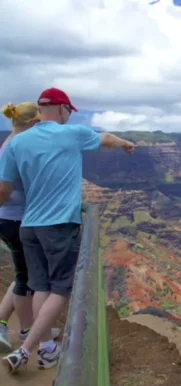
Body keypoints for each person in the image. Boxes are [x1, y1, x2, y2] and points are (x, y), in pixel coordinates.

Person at [0, 88, 135, 373]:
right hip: (59, 225)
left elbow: (4, 188)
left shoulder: (16, 143)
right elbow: (107, 138)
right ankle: (25, 351)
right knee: (62, 289)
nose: (70, 115)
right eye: (70, 111)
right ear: (62, 109)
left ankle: (47, 348)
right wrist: (125, 143)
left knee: (40, 287)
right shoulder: (72, 134)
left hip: (28, 226)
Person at [0, 102, 60, 353]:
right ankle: (26, 329)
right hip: (15, 219)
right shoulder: (13, 147)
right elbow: (4, 190)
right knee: (27, 278)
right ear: (34, 124)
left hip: (16, 218)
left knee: (23, 273)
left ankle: (5, 323)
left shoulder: (10, 144)